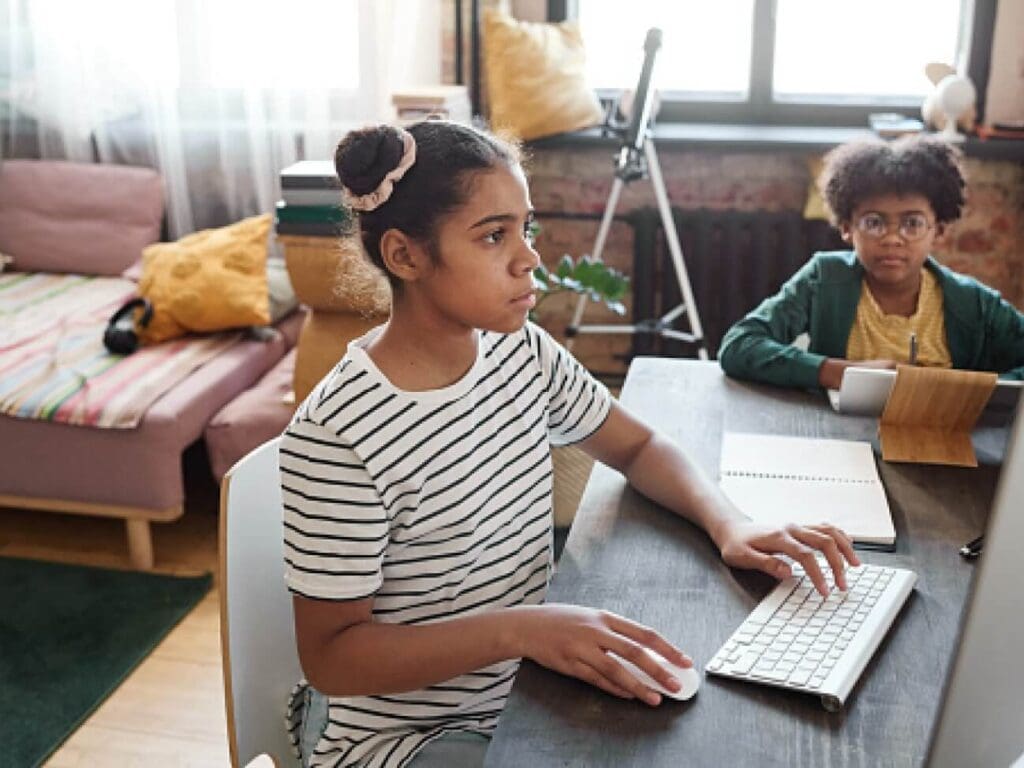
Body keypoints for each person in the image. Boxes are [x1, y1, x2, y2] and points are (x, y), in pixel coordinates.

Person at [279, 119, 858, 768]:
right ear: (406, 256)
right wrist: (522, 630)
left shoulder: (517, 349)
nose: (529, 258)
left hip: (523, 682)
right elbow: (331, 656)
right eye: (494, 236)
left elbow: (637, 448)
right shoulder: (340, 435)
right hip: (407, 737)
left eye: (527, 228)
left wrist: (730, 524)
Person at [718, 135, 1024, 390]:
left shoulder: (974, 303)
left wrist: (977, 393)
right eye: (874, 223)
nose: (892, 238)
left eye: (913, 223)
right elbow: (739, 346)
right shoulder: (823, 279)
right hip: (839, 440)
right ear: (847, 228)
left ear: (939, 231)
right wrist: (840, 373)